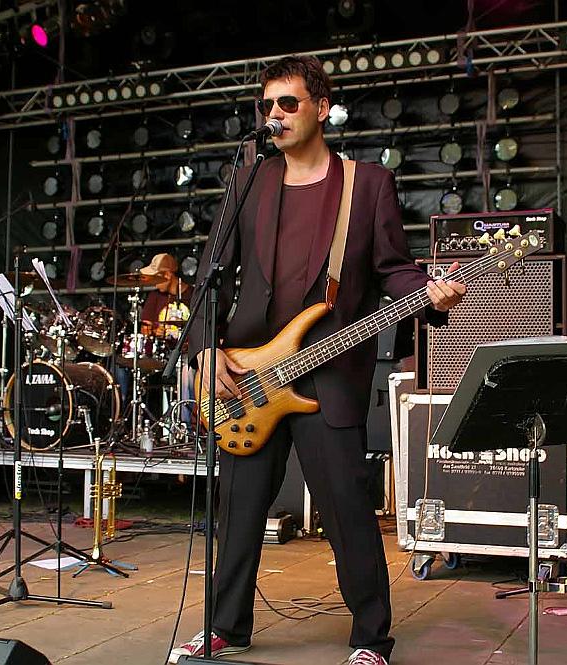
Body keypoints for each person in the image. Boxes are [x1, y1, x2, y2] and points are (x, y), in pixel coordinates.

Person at [169, 56, 466, 665]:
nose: (274, 115)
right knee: (239, 512)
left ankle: (371, 639)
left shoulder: (367, 184)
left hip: (328, 373)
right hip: (248, 374)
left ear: (322, 108)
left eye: (288, 103)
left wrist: (430, 292)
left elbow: (391, 269)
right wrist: (203, 350)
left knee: (348, 511)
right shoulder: (249, 180)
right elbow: (210, 277)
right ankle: (225, 625)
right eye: (267, 105)